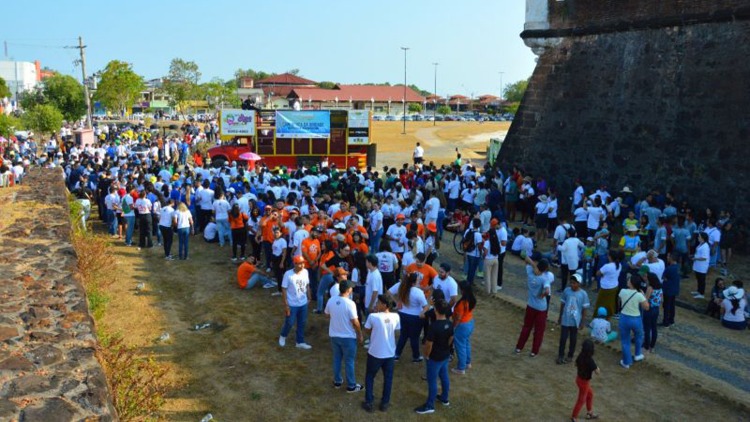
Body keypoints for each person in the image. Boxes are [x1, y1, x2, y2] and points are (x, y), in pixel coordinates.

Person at [362, 295, 401, 413]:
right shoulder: (396, 316)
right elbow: (397, 331)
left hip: (375, 352)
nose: (376, 304)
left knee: (370, 376)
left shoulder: (373, 316)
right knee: (388, 378)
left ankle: (369, 402)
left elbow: (367, 330)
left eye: (378, 303)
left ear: (384, 305)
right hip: (389, 353)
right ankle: (385, 403)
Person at [414, 299, 453, 415]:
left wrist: (426, 355)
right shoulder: (449, 324)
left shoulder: (434, 326)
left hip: (435, 357)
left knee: (432, 381)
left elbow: (429, 344)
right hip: (445, 355)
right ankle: (444, 398)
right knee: (444, 376)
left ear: (436, 311)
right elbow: (451, 338)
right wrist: (446, 347)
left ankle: (430, 405)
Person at [325, 280, 364, 392]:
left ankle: (337, 381)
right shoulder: (350, 303)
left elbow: (326, 315)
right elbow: (355, 322)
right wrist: (360, 334)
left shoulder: (331, 300)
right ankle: (351, 385)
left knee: (337, 358)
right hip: (348, 337)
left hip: (334, 335)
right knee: (349, 361)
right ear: (348, 290)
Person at [515, 256, 553, 357]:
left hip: (531, 305)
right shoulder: (545, 278)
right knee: (538, 331)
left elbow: (526, 258)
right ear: (545, 268)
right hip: (541, 307)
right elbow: (547, 291)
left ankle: (519, 347)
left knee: (526, 327)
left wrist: (533, 265)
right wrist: (542, 295)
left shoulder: (531, 273)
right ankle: (534, 351)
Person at [388, 272, 429, 362]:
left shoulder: (401, 286)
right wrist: (423, 312)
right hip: (415, 317)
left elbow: (389, 292)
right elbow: (425, 306)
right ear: (414, 282)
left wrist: (396, 301)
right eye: (418, 280)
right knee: (414, 337)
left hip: (402, 314)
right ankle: (416, 357)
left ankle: (397, 354)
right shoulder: (418, 292)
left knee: (403, 335)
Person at [279, 255, 313, 350]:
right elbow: (284, 289)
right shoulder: (288, 274)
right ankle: (283, 336)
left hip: (303, 303)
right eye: (300, 264)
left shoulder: (305, 272)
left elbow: (307, 285)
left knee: (302, 322)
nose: (302, 265)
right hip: (292, 304)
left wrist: (309, 296)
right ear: (295, 264)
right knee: (289, 322)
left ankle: (300, 341)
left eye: (303, 263)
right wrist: (286, 305)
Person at [618, 274, 650, 368]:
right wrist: (644, 296)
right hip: (636, 319)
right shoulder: (639, 295)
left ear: (631, 283)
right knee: (639, 336)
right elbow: (646, 307)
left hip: (624, 318)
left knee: (625, 340)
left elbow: (620, 301)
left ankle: (627, 362)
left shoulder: (622, 291)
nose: (627, 281)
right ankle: (637, 354)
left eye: (629, 280)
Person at [557, 274, 591, 365]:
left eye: (574, 283)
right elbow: (562, 304)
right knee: (563, 338)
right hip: (565, 319)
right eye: (571, 283)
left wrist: (582, 322)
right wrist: (560, 317)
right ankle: (560, 355)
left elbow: (584, 309)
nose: (572, 285)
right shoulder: (566, 291)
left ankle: (570, 355)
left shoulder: (583, 294)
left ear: (579, 284)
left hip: (575, 320)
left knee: (573, 339)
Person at [571, 339, 600, 422]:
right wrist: (597, 367)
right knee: (581, 400)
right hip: (585, 382)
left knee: (590, 394)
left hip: (579, 379)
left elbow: (575, 364)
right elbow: (597, 372)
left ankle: (589, 412)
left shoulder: (580, 355)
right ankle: (574, 417)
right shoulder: (590, 361)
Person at [451, 281, 476, 375]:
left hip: (462, 325)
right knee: (466, 343)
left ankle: (461, 368)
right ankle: (467, 362)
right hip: (470, 322)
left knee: (460, 346)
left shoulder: (462, 303)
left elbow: (458, 318)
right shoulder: (472, 299)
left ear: (462, 290)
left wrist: (453, 326)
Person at [594, 249, 622, 318]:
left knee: (599, 303)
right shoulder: (619, 265)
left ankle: (596, 318)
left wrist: (603, 275)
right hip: (614, 287)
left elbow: (597, 273)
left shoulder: (607, 266)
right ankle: (608, 317)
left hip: (605, 288)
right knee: (610, 304)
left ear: (610, 257)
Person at [643, 273, 662, 352]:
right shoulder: (660, 287)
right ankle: (652, 346)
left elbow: (645, 299)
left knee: (647, 328)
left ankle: (646, 346)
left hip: (649, 309)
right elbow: (661, 299)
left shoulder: (650, 288)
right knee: (654, 327)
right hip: (656, 309)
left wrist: (642, 294)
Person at [661, 254, 680, 327]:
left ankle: (665, 321)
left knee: (666, 306)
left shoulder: (669, 268)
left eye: (669, 256)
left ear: (671, 258)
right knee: (672, 305)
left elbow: (663, 277)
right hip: (674, 289)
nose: (667, 257)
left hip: (668, 289)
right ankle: (671, 320)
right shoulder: (678, 267)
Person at [691, 232, 710, 299]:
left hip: (702, 266)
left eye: (699, 236)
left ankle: (702, 293)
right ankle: (698, 291)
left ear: (702, 238)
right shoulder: (701, 244)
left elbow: (704, 258)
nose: (698, 237)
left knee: (701, 280)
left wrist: (695, 258)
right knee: (698, 279)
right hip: (698, 265)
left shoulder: (705, 246)